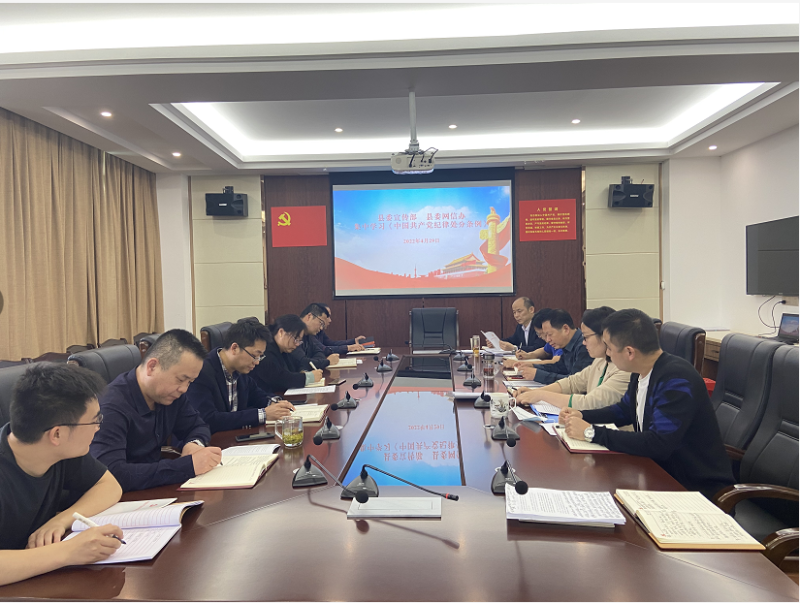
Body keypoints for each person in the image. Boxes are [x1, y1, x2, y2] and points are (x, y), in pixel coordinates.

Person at [559, 308, 735, 499]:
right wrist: (582, 415)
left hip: (693, 488)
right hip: (657, 473)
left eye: (609, 347)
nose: (607, 353)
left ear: (629, 352)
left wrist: (590, 432)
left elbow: (658, 443)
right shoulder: (641, 371)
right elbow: (624, 410)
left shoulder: (676, 380)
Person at [0, 364, 124, 586]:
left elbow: (109, 486)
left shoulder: (62, 451)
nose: (98, 428)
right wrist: (69, 551)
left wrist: (60, 521)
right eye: (95, 420)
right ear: (57, 434)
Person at [91, 329, 222, 493]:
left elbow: (198, 426)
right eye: (181, 379)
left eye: (190, 382)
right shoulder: (110, 407)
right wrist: (187, 466)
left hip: (156, 490)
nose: (184, 389)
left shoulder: (170, 395)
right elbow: (112, 474)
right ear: (152, 366)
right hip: (122, 499)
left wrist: (194, 444)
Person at [185, 321, 295, 433]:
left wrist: (275, 403)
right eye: (255, 355)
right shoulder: (201, 372)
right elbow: (208, 419)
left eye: (260, 356)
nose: (257, 362)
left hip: (235, 436)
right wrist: (263, 414)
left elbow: (257, 395)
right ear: (235, 348)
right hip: (211, 440)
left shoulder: (240, 370)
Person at [514, 306, 629, 411]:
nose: (584, 342)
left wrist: (541, 395)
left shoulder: (624, 370)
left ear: (605, 337)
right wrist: (535, 392)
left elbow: (590, 402)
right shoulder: (600, 361)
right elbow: (573, 382)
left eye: (586, 337)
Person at [251, 314, 324, 393]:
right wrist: (308, 377)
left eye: (299, 341)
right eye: (295, 339)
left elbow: (298, 363)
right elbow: (279, 378)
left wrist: (302, 371)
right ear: (281, 332)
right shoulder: (266, 348)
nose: (297, 344)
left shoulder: (284, 349)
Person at [518, 309, 592, 384]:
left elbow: (575, 382)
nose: (547, 340)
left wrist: (538, 375)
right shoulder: (566, 344)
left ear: (565, 329)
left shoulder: (584, 347)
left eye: (550, 334)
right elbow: (558, 367)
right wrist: (533, 366)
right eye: (546, 335)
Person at [292, 303, 340, 369]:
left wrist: (315, 362)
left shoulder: (308, 335)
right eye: (321, 323)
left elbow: (319, 353)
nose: (321, 328)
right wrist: (327, 362)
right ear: (309, 317)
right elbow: (302, 362)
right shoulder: (292, 332)